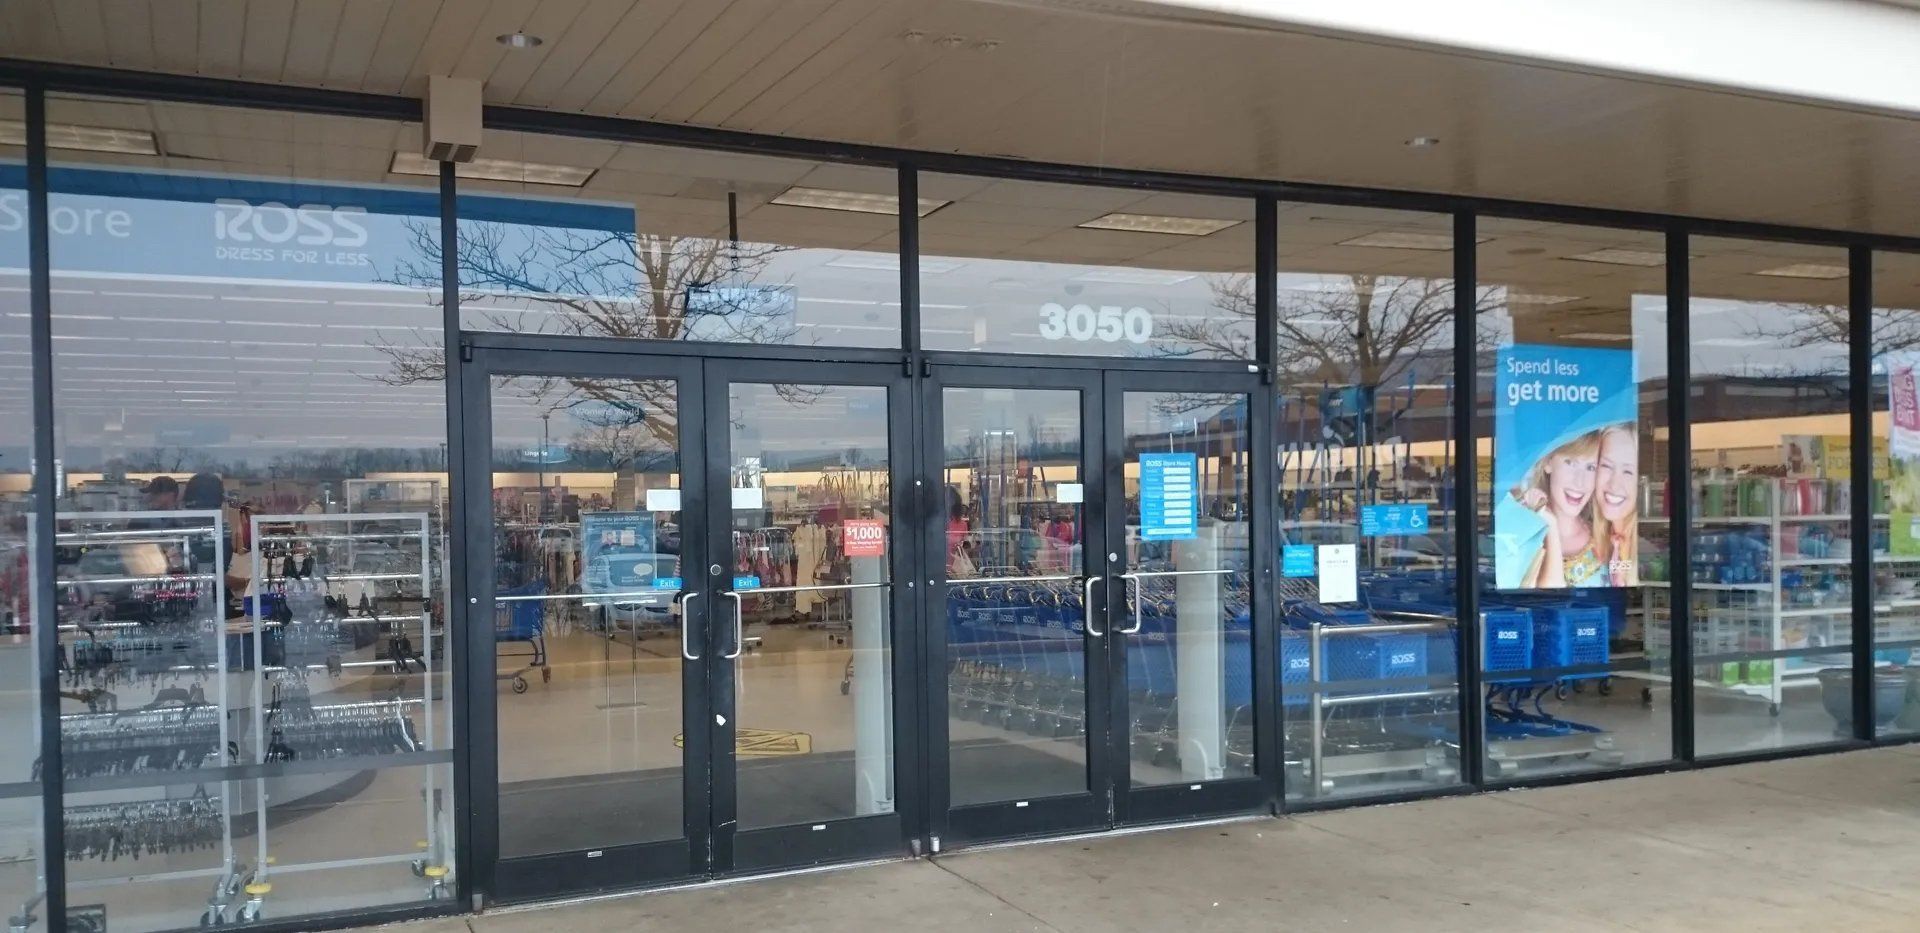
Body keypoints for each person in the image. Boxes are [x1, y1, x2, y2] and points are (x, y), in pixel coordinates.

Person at [1513, 431, 1604, 588]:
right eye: (1570, 463)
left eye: (1590, 467)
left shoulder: (1607, 538)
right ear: (1548, 462)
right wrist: (1550, 524)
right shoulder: (1521, 535)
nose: (1579, 482)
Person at [1595, 423, 1640, 586]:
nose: (1614, 484)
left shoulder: (1643, 551)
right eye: (1606, 466)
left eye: (1628, 471)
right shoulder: (1592, 541)